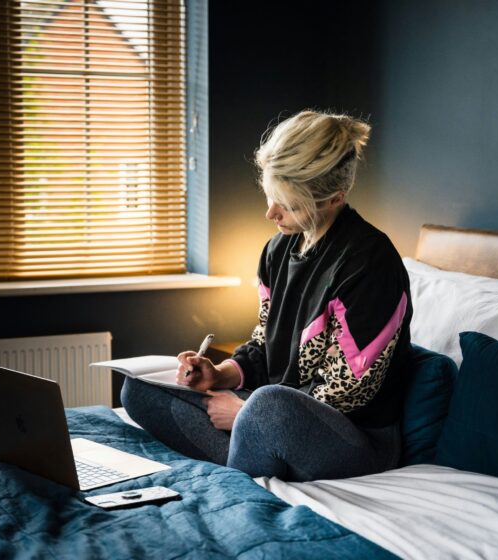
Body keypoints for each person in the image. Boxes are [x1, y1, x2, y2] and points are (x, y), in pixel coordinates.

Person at [121, 109, 413, 481]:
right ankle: (250, 451)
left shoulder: (369, 263)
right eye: (270, 196)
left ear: (334, 198)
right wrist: (220, 375)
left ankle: (245, 454)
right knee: (139, 388)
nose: (270, 212)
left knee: (268, 406)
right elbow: (263, 344)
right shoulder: (278, 250)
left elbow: (345, 393)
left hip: (354, 439)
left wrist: (244, 411)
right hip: (271, 412)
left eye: (287, 204)